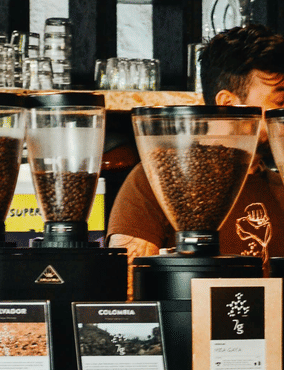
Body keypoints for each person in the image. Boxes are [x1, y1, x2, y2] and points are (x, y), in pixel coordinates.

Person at [107, 24, 284, 298]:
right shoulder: (158, 179)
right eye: (280, 102)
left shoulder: (278, 185)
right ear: (228, 105)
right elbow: (128, 294)